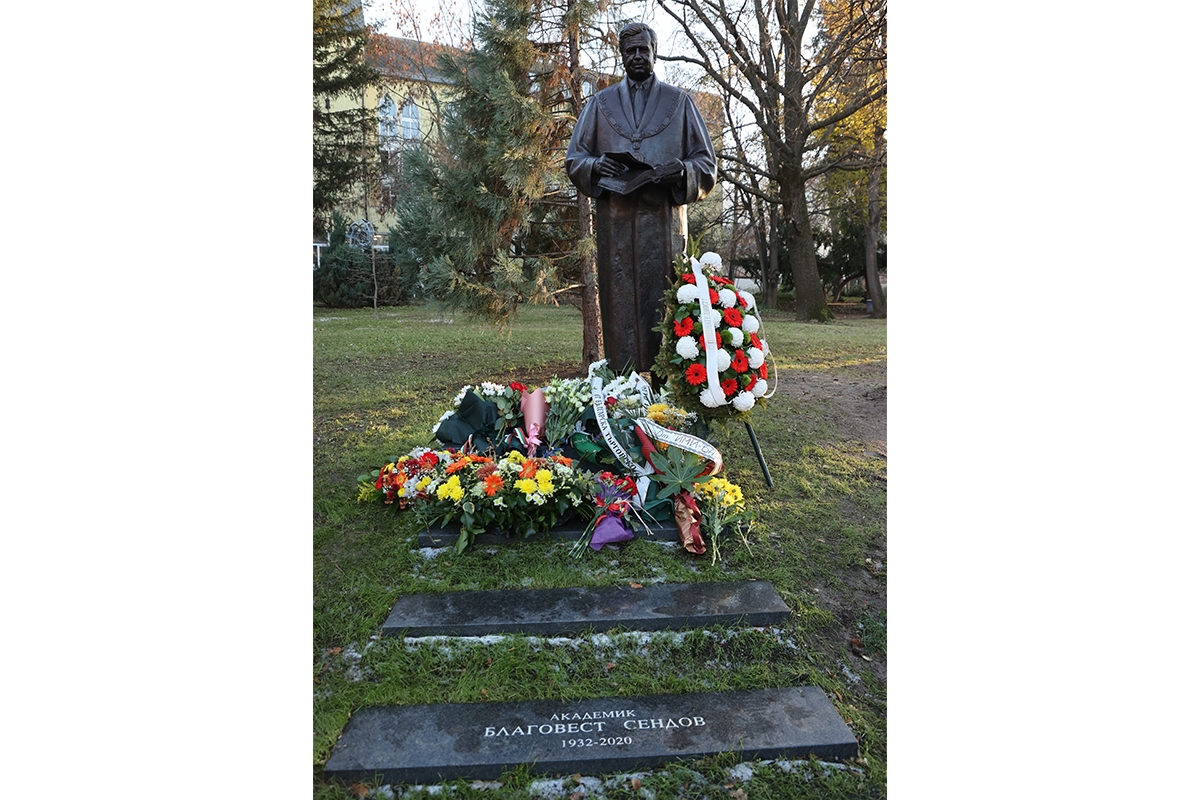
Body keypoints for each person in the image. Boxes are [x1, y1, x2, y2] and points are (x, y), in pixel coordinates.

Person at [565, 22, 717, 375]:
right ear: (621, 55)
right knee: (620, 318)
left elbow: (706, 164)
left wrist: (680, 170)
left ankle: (669, 396)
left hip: (662, 228)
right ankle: (623, 395)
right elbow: (575, 159)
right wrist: (596, 165)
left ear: (654, 52)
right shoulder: (600, 105)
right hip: (615, 227)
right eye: (629, 51)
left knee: (664, 315)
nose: (636, 57)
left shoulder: (679, 102)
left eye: (642, 50)